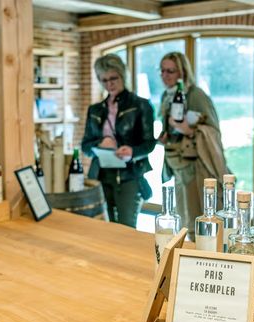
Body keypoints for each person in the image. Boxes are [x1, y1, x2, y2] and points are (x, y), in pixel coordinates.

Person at [158, 51, 230, 239]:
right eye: (162, 71)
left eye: (170, 71)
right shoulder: (166, 95)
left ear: (182, 72)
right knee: (184, 218)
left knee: (200, 220)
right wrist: (165, 137)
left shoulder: (196, 95)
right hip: (177, 165)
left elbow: (213, 131)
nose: (165, 76)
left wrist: (188, 130)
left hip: (197, 166)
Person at [82, 54, 155, 227]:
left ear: (122, 75)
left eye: (113, 78)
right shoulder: (95, 110)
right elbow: (85, 145)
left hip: (129, 175)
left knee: (126, 227)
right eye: (104, 80)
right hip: (100, 175)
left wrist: (132, 152)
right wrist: (99, 144)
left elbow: (149, 143)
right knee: (102, 226)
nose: (109, 84)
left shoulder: (141, 105)